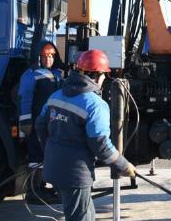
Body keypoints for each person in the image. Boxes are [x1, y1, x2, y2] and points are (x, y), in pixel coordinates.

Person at [36, 49, 136, 221]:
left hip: (54, 168)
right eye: (105, 75)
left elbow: (40, 125)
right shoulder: (95, 105)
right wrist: (124, 165)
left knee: (87, 213)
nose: (105, 79)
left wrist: (53, 150)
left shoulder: (56, 95)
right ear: (97, 75)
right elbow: (101, 145)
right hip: (75, 174)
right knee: (80, 217)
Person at [18, 41, 64, 202]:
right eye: (44, 56)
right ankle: (34, 190)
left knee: (47, 155)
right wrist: (25, 122)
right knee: (36, 155)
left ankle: (43, 187)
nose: (48, 59)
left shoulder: (58, 74)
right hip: (37, 122)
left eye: (51, 56)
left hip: (52, 123)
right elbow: (25, 98)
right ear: (38, 57)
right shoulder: (31, 74)